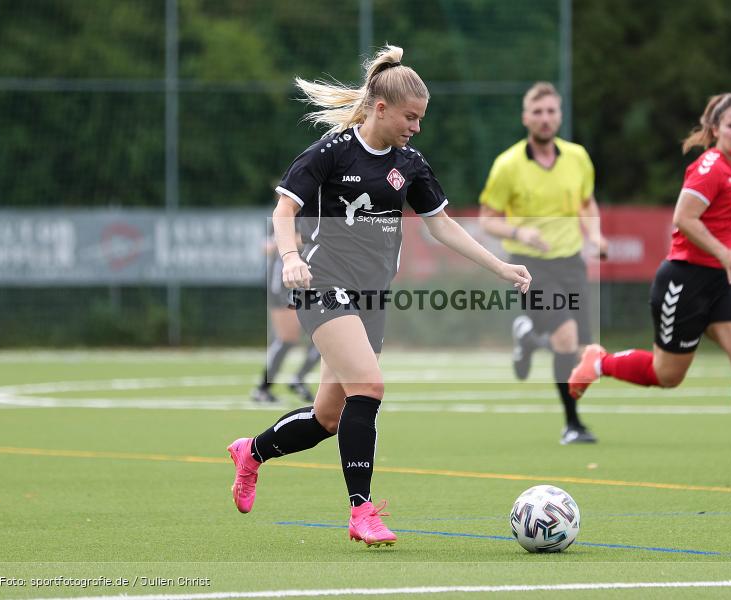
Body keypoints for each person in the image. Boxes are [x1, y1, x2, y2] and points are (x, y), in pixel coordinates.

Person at [227, 45, 532, 547]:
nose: (417, 127)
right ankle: (361, 511)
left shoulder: (409, 164)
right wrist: (290, 257)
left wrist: (500, 266)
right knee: (369, 386)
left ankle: (252, 452)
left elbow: (443, 226)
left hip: (371, 299)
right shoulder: (331, 151)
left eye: (421, 118)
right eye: (411, 117)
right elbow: (284, 211)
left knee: (328, 417)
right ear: (382, 108)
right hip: (322, 285)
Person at [568, 92, 731, 478]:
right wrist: (726, 254)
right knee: (667, 375)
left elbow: (722, 226)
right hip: (685, 280)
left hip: (720, 281)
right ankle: (599, 362)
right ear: (716, 129)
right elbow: (684, 218)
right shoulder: (710, 167)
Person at [479, 82, 607, 446]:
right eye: (537, 112)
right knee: (565, 334)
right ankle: (572, 424)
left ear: (560, 115)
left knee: (581, 349)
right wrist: (520, 232)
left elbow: (587, 202)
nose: (545, 118)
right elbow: (487, 219)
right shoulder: (507, 165)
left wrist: (596, 236)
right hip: (529, 267)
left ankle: (530, 336)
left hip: (571, 263)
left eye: (551, 111)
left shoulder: (578, 157)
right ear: (525, 118)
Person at [250, 235, 320, 404]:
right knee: (288, 338)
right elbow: (267, 246)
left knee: (323, 337)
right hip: (283, 286)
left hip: (307, 283)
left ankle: (298, 378)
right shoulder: (289, 220)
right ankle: (263, 389)